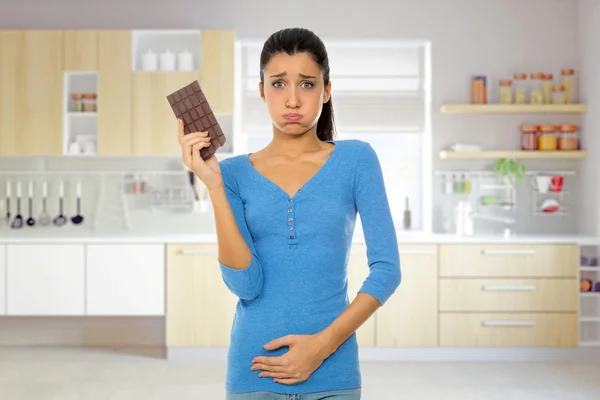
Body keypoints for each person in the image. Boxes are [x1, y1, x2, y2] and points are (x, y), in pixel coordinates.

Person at [177, 27, 401, 400]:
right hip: (254, 370)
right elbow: (244, 286)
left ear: (326, 91)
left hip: (334, 373)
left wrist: (322, 346)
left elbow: (388, 271)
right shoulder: (230, 174)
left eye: (307, 85)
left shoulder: (357, 159)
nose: (293, 100)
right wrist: (213, 185)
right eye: (279, 84)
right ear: (262, 91)